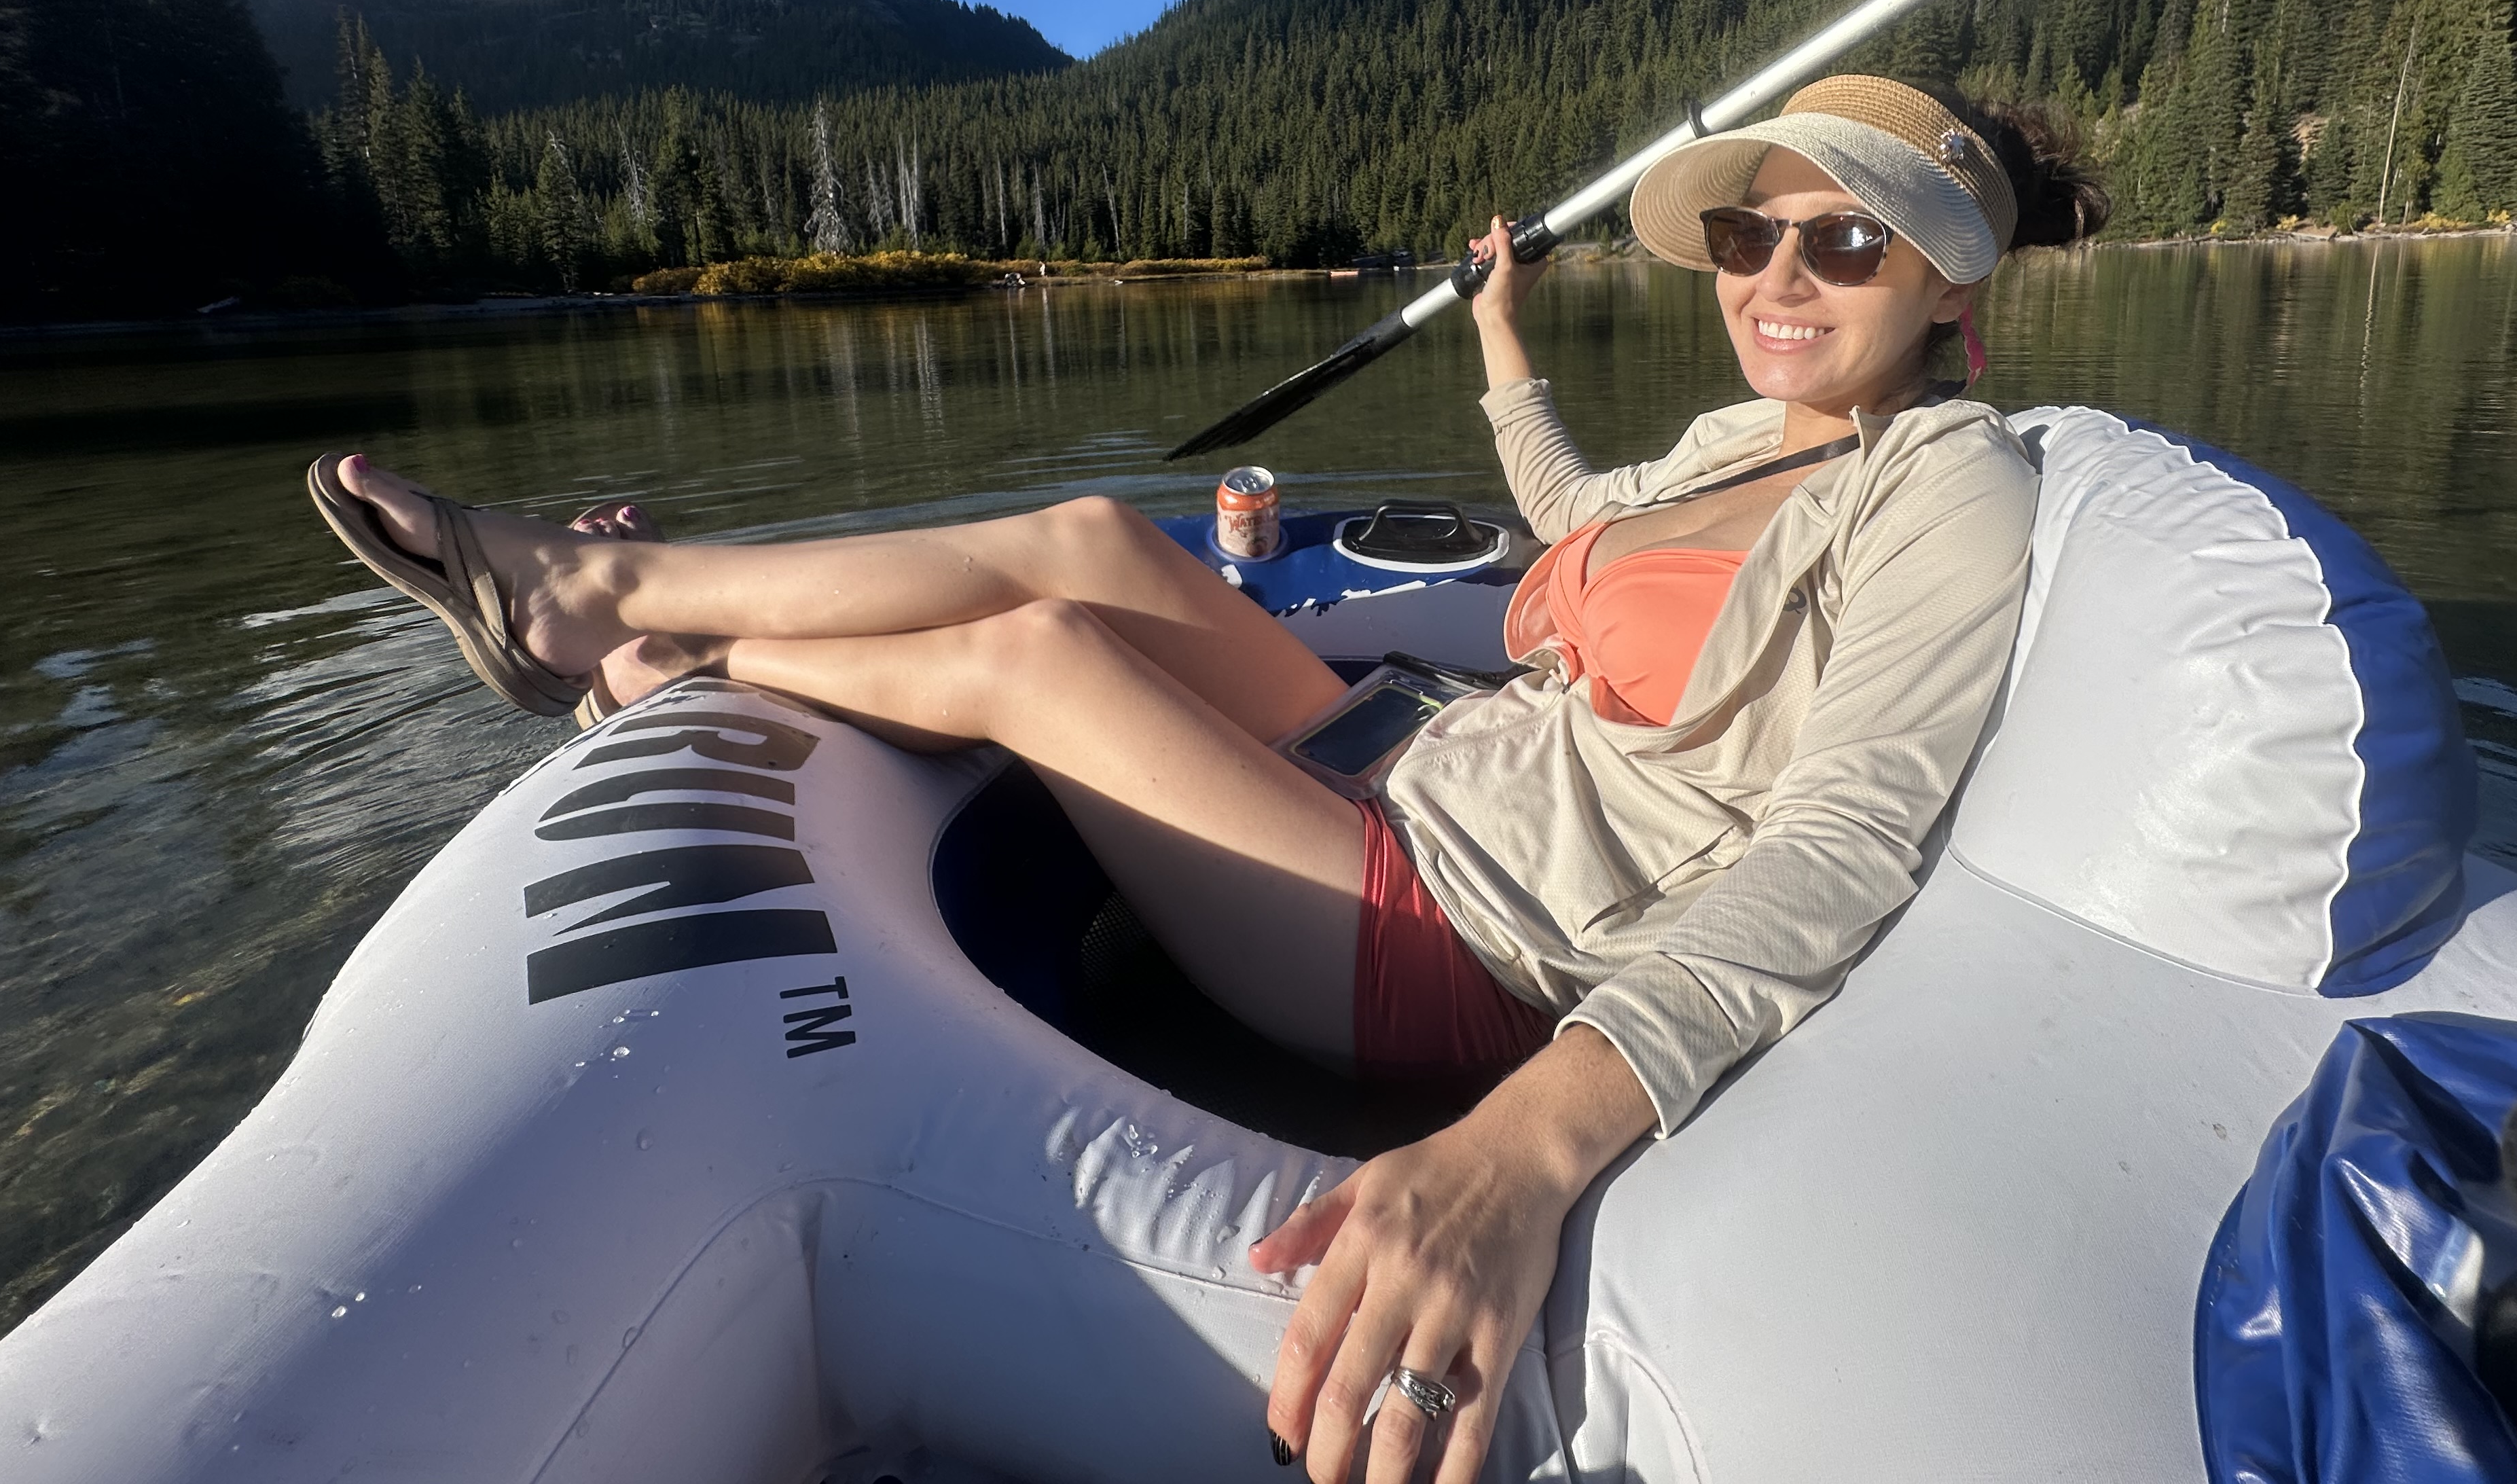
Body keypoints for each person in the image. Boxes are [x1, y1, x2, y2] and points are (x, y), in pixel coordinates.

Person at [306, 73, 2106, 1484]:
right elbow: (1575, 529)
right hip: (1427, 758)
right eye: (1748, 237)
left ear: (1953, 272)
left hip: (1461, 934)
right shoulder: (1754, 436)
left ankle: (614, 613)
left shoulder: (1945, 487)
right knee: (1094, 535)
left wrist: (1527, 1143)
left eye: (1843, 246)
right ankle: (642, 620)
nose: (1779, 281)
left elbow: (1850, 841)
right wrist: (1497, 335)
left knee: (1034, 657)